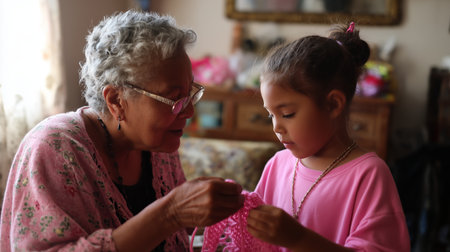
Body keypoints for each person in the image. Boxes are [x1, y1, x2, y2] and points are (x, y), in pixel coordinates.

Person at [0, 10, 244, 251]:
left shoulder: (159, 144)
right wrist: (169, 214)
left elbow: (178, 238)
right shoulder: (53, 148)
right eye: (174, 99)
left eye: (190, 93)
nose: (189, 111)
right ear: (116, 100)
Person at [246, 23, 410, 251]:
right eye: (270, 115)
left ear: (333, 104)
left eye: (287, 114)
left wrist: (298, 239)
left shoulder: (368, 175)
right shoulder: (277, 165)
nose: (276, 127)